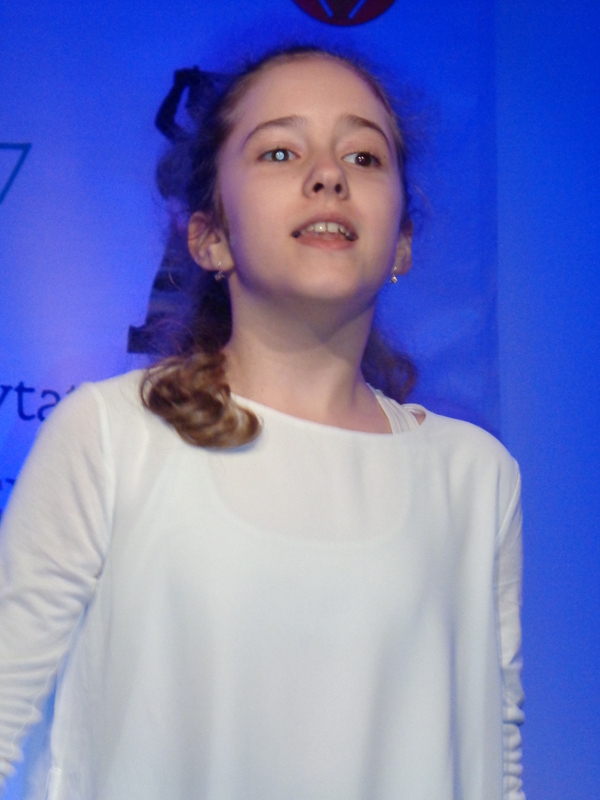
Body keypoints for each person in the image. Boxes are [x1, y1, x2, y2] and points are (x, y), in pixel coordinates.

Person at [0, 46, 525, 800]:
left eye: (364, 156)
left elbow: (494, 757)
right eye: (280, 152)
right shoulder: (113, 436)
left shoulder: (474, 475)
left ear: (403, 241)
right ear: (209, 236)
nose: (329, 175)